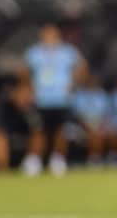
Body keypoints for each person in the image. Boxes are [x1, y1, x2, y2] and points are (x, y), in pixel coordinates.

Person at [21, 23, 85, 176]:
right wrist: (27, 89)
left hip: (62, 99)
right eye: (45, 35)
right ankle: (34, 160)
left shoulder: (68, 52)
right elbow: (23, 71)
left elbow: (82, 67)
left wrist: (73, 85)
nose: (48, 38)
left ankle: (58, 160)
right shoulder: (34, 53)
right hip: (41, 99)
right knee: (38, 130)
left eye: (51, 34)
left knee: (61, 131)